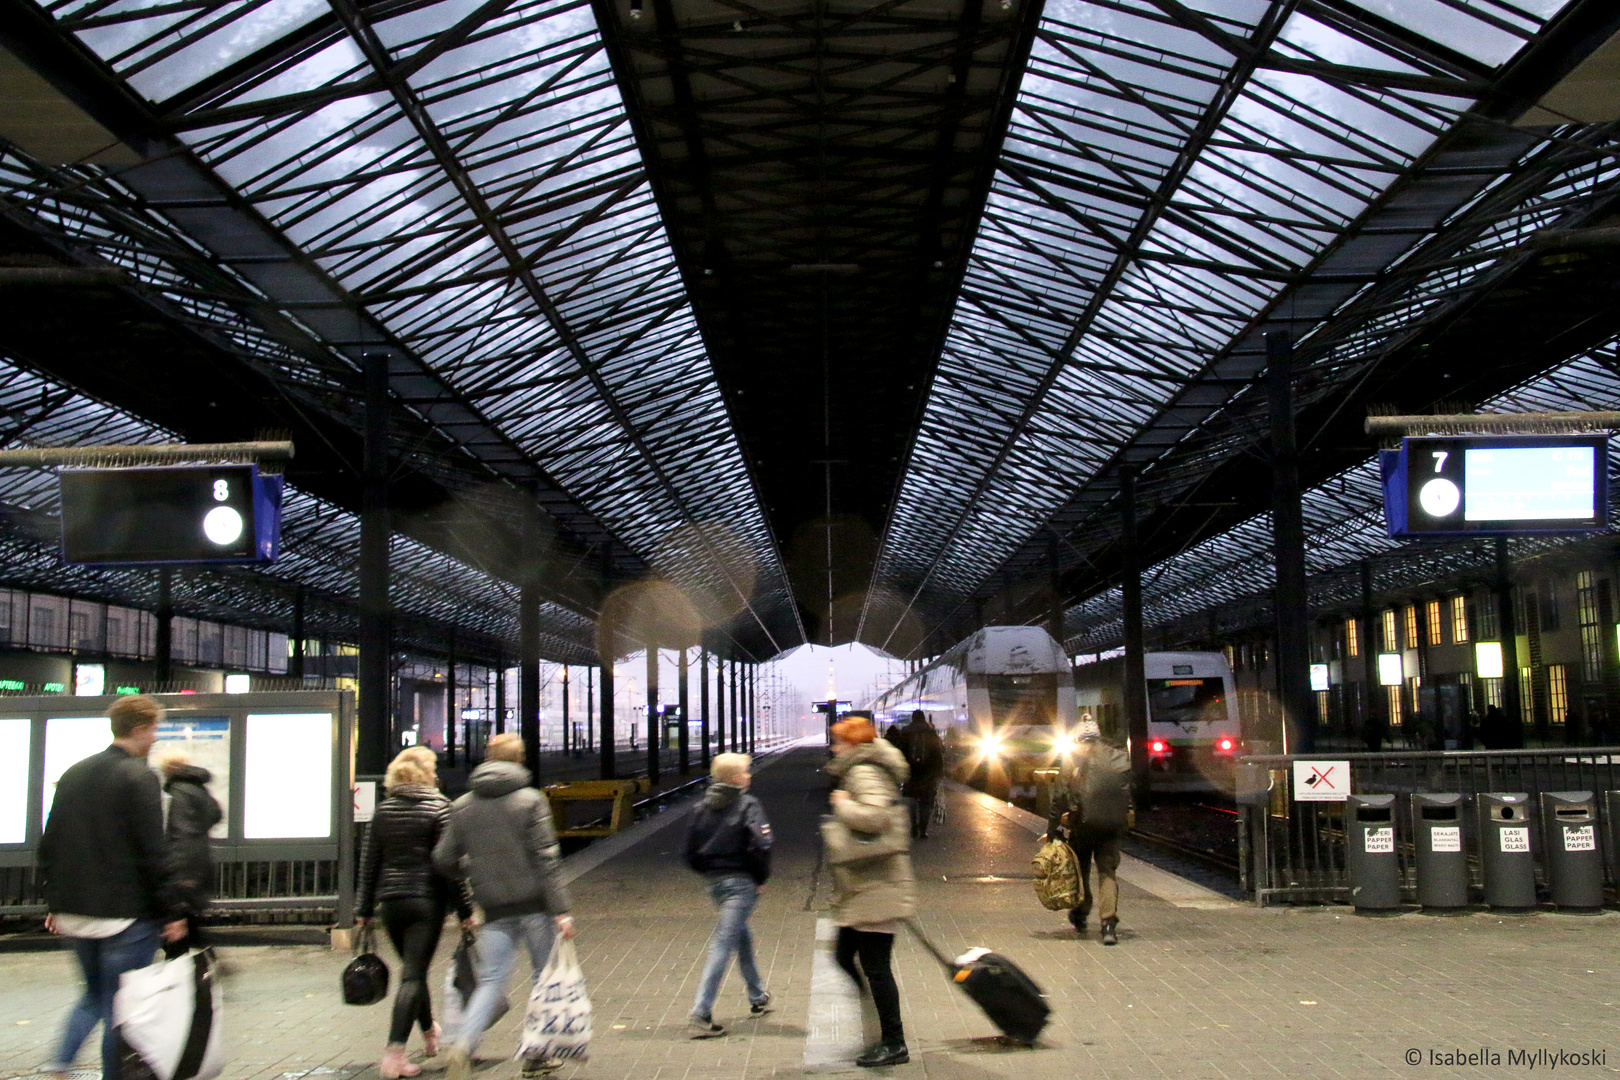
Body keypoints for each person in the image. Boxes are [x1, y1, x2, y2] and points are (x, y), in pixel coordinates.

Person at [38, 694, 186, 1080]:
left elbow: (50, 843)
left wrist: (55, 903)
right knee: (121, 1010)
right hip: (124, 915)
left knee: (93, 995)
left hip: (75, 915)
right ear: (139, 729)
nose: (156, 737)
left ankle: (59, 1064)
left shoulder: (74, 773)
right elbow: (153, 853)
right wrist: (171, 913)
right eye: (154, 728)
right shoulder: (140, 777)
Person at [434, 734, 575, 1080]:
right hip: (536, 906)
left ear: (487, 758)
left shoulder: (463, 804)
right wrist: (562, 909)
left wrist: (474, 870)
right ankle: (538, 1055)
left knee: (492, 979)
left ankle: (464, 1045)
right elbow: (546, 858)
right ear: (519, 759)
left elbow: (442, 858)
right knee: (544, 979)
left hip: (494, 907)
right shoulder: (531, 800)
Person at [356, 748, 473, 1079]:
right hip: (425, 903)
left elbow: (370, 864)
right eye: (433, 771)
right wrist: (465, 911)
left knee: (413, 970)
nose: (437, 777)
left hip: (391, 904)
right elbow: (449, 866)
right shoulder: (439, 808)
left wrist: (363, 909)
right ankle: (394, 1055)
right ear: (423, 776)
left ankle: (429, 1033)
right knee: (412, 975)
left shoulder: (383, 811)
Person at [826, 715, 915, 1068]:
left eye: (838, 741)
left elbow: (877, 817)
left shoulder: (863, 771)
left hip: (877, 883)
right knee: (845, 955)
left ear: (853, 744)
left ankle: (894, 1041)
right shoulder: (859, 768)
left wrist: (842, 804)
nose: (833, 747)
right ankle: (877, 1024)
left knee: (875, 967)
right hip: (866, 883)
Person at [684, 752, 774, 1037]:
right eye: (746, 773)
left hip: (716, 883)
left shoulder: (701, 807)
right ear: (735, 779)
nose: (749, 776)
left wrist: (709, 871)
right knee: (723, 943)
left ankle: (758, 996)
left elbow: (688, 852)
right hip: (742, 883)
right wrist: (760, 877)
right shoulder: (748, 804)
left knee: (740, 936)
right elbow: (762, 843)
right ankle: (701, 1012)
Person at [1045, 715, 1130, 946]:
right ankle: (1108, 925)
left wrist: (1052, 829)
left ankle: (1081, 914)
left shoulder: (1072, 757)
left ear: (1079, 738)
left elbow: (1059, 797)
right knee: (1107, 873)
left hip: (1082, 825)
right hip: (1111, 825)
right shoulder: (1115, 755)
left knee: (1081, 872)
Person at [155, 748, 223, 958]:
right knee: (189, 928)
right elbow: (215, 814)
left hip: (183, 872)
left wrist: (177, 875)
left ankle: (192, 974)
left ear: (168, 770)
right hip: (199, 867)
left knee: (177, 933)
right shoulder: (199, 790)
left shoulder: (179, 792)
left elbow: (181, 835)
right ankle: (205, 963)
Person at [896, 711, 944, 840]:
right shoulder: (931, 732)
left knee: (911, 801)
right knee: (926, 803)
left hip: (910, 773)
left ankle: (914, 826)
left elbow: (900, 753)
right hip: (927, 774)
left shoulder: (905, 732)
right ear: (924, 719)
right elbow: (937, 755)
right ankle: (923, 830)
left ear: (912, 718)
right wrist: (939, 772)